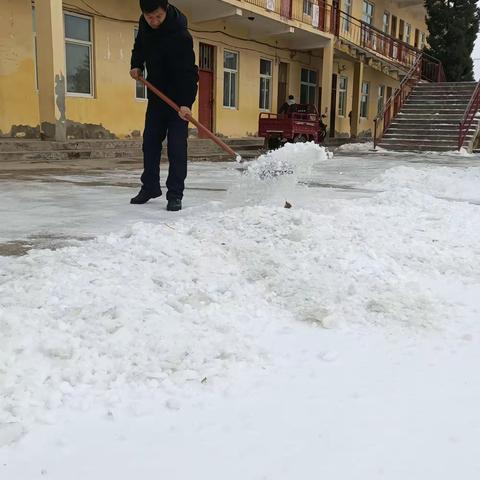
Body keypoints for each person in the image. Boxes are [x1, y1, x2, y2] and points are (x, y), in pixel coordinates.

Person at [130, 0, 199, 211]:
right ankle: (150, 187)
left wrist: (186, 103)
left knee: (177, 147)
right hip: (157, 97)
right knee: (150, 143)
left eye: (158, 16)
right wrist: (136, 64)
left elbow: (190, 72)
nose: (154, 21)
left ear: (166, 10)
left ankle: (175, 194)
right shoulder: (145, 27)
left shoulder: (181, 35)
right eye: (150, 17)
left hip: (178, 102)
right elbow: (139, 47)